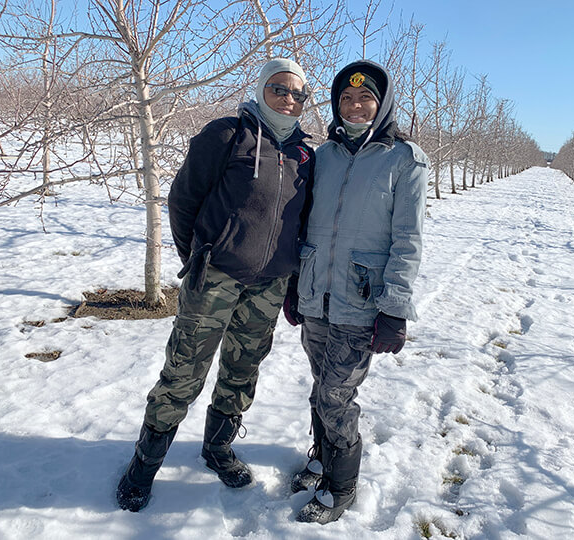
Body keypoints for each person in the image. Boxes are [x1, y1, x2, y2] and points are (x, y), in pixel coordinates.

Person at [116, 58, 315, 512]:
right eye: (280, 89)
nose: (289, 99)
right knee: (184, 371)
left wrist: (293, 280)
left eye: (298, 94)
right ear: (262, 88)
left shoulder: (305, 154)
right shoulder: (227, 134)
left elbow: (302, 222)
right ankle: (143, 466)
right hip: (217, 277)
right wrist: (199, 257)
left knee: (242, 369)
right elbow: (183, 200)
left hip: (269, 284)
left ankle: (218, 447)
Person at [283, 60, 428, 524]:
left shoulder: (405, 160)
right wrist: (293, 284)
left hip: (362, 302)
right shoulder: (322, 155)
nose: (355, 105)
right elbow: (302, 224)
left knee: (335, 397)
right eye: (346, 98)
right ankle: (322, 457)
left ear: (381, 103)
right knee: (319, 387)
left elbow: (408, 239)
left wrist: (395, 308)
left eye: (365, 98)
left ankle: (341, 487)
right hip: (315, 296)